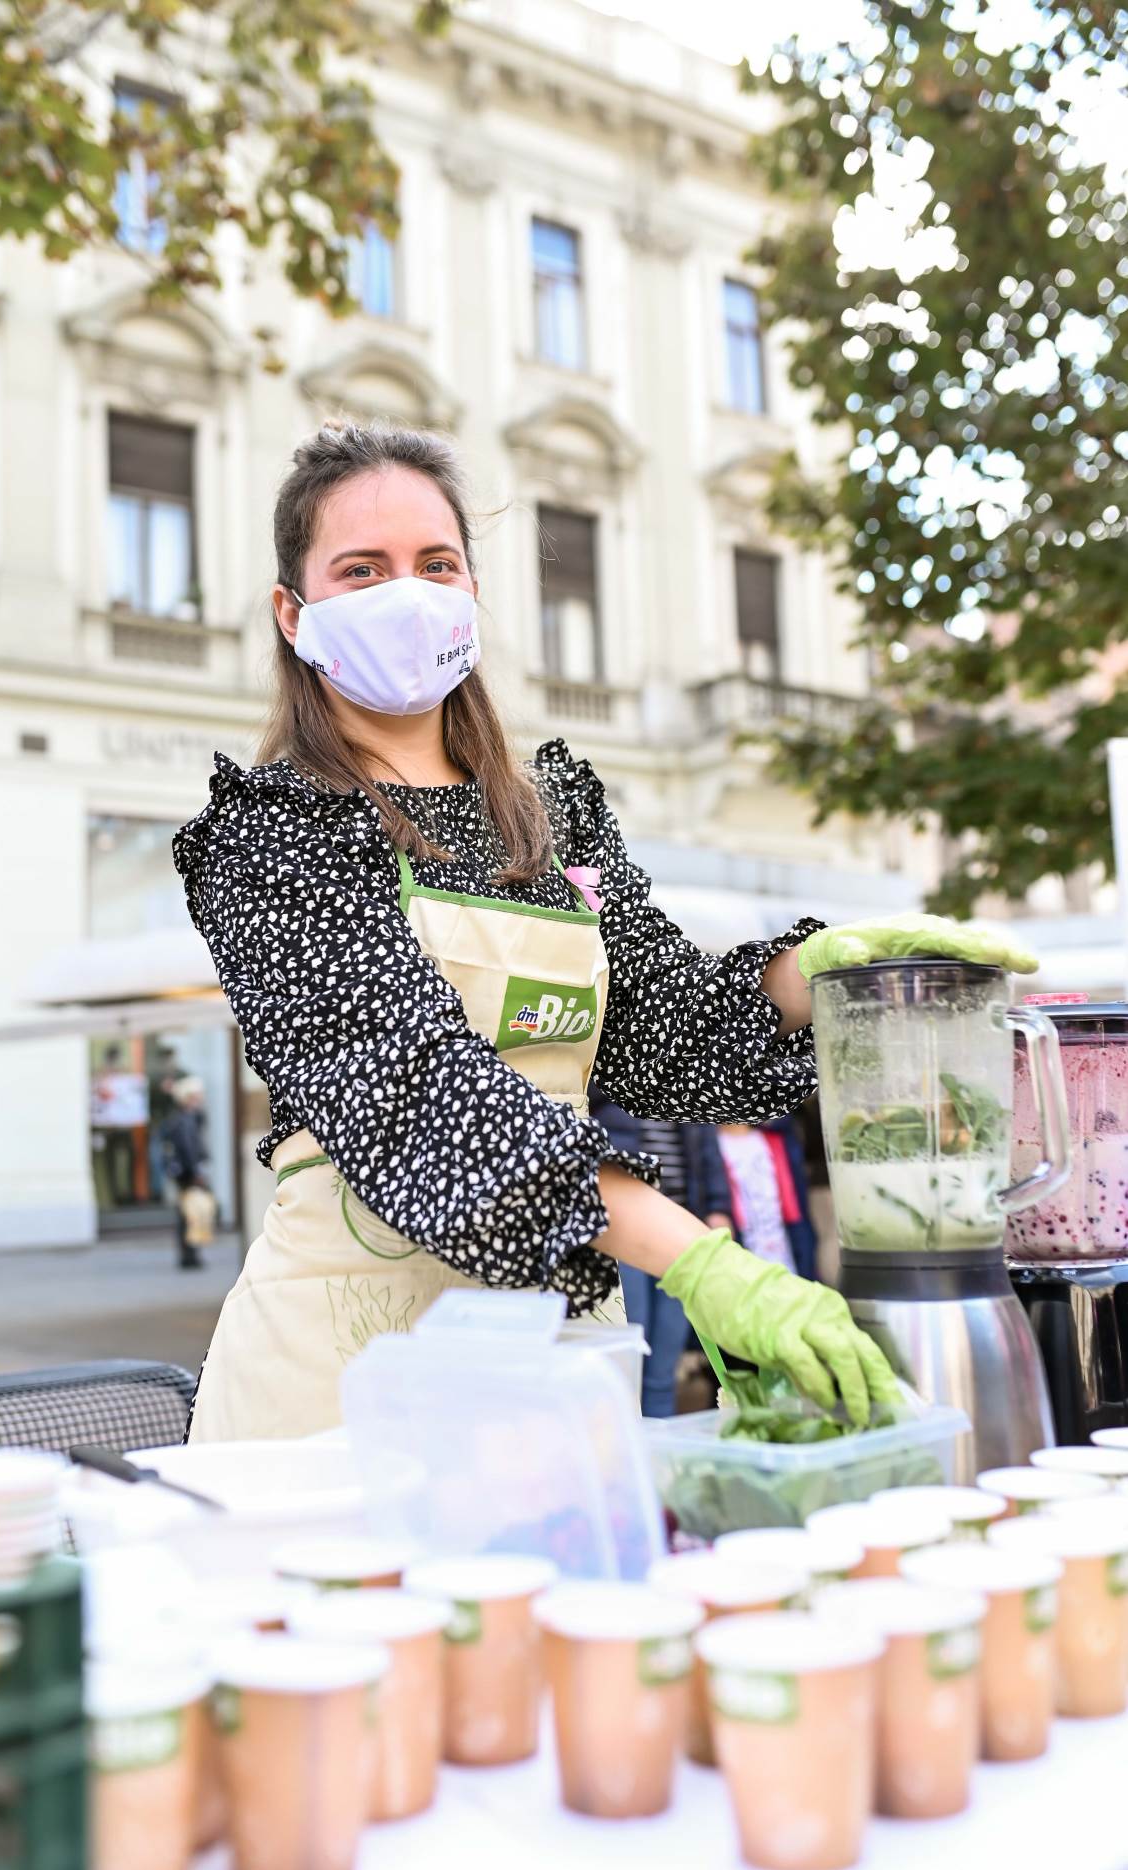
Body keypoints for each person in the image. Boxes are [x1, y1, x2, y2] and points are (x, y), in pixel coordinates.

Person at [173, 419, 1034, 1443]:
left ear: (472, 593)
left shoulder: (549, 814)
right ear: (292, 611)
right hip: (340, 1384)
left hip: (556, 1349)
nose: (406, 593)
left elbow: (663, 1029)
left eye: (434, 564)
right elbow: (417, 1095)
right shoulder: (273, 832)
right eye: (360, 572)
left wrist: (824, 973)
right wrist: (702, 1262)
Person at [590, 1089, 733, 1417]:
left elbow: (707, 1150)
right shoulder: (608, 1068)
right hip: (622, 1227)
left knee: (664, 1368)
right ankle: (623, 1458)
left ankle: (658, 1460)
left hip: (682, 1227)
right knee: (626, 1363)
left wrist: (718, 1207)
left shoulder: (684, 1073)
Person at [716, 1115, 819, 1283]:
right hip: (745, 1260)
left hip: (787, 1254)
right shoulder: (711, 1148)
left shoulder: (774, 1140)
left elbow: (794, 1205)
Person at [162, 1076, 210, 1269]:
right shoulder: (185, 1120)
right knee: (190, 1213)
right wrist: (196, 1171)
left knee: (188, 1213)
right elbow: (189, 1148)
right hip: (188, 1174)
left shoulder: (185, 1118)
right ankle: (189, 1254)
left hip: (184, 1173)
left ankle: (189, 1253)